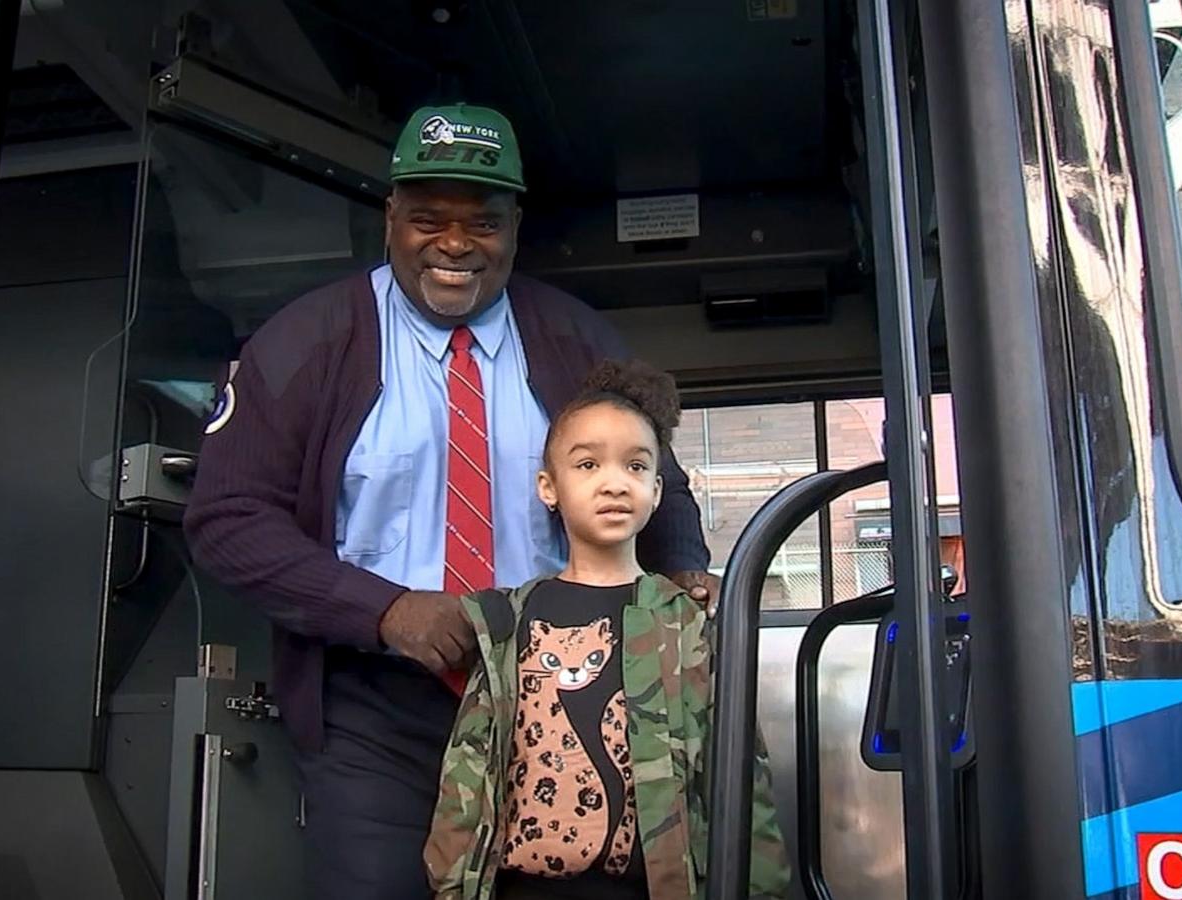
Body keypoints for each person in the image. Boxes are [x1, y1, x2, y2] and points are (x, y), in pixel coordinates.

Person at [184, 103, 718, 900]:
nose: (457, 245)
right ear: (391, 216)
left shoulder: (577, 340)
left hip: (561, 690)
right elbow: (227, 520)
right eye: (429, 219)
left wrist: (680, 569)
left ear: (515, 225)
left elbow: (657, 480)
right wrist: (387, 610)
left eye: (484, 223)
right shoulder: (305, 342)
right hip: (374, 707)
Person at [423, 360, 789, 900]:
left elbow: (738, 772)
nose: (615, 482)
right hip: (527, 887)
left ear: (658, 490)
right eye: (588, 464)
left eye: (636, 467)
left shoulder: (684, 621)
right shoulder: (508, 620)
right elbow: (469, 767)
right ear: (549, 487)